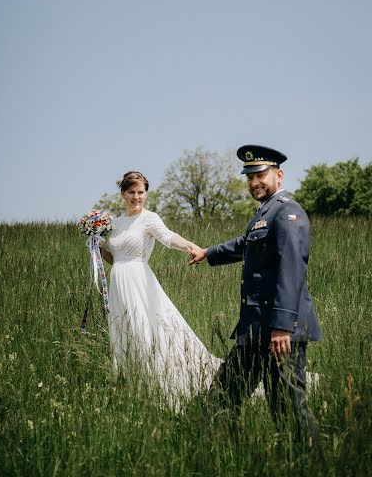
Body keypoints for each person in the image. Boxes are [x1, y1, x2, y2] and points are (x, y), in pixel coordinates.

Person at [189, 145, 322, 445]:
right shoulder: (266, 213)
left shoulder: (288, 211)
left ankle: (310, 462)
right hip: (255, 329)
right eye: (249, 177)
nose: (254, 183)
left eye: (260, 175)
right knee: (222, 398)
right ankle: (217, 454)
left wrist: (282, 327)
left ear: (279, 174)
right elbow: (244, 244)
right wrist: (208, 253)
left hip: (278, 332)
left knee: (287, 408)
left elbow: (291, 270)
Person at [100, 171, 221, 407]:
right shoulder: (114, 223)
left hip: (139, 281)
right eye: (131, 192)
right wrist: (95, 245)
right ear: (123, 194)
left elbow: (168, 237)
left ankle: (156, 384)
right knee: (124, 328)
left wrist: (192, 247)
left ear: (145, 193)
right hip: (118, 282)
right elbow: (115, 258)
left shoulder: (149, 218)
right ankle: (130, 383)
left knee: (142, 328)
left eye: (141, 192)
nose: (136, 197)